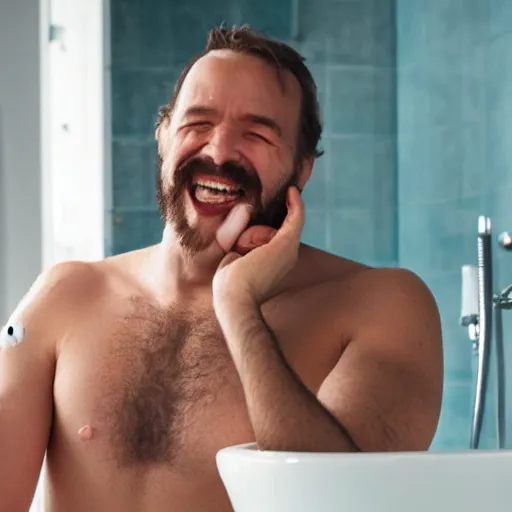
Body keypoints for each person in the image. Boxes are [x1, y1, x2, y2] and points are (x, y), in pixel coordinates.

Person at [0, 25, 443, 512]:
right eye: (197, 123)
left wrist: (238, 307)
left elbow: (341, 502)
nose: (219, 151)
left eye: (256, 134)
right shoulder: (63, 297)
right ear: (164, 137)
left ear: (301, 169)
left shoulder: (381, 306)